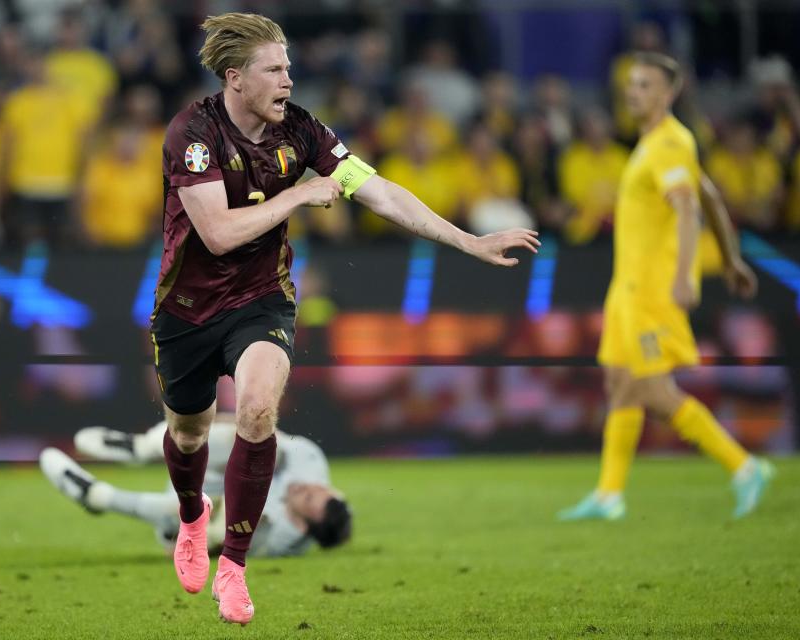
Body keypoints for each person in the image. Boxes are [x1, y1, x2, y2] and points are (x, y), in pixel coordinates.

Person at [151, 12, 539, 626]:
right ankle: (193, 516)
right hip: (187, 310)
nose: (288, 80)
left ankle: (236, 565)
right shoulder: (192, 134)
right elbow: (219, 234)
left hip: (261, 302)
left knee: (255, 409)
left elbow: (377, 190)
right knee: (190, 434)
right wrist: (300, 195)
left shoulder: (304, 133)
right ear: (236, 78)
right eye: (274, 69)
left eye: (289, 68)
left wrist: (467, 241)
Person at [558, 53, 772, 523]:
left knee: (653, 390)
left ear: (670, 92)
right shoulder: (655, 143)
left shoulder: (671, 142)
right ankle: (609, 495)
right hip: (628, 286)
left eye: (646, 85)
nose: (635, 92)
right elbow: (710, 195)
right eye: (632, 84)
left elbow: (689, 209)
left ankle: (744, 466)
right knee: (620, 382)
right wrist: (733, 258)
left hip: (653, 288)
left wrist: (682, 278)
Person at [39, 417, 350, 558]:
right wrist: (197, 427)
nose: (302, 488)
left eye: (306, 499)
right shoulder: (309, 460)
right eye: (315, 491)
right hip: (207, 467)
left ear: (303, 525)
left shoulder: (279, 535)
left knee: (206, 513)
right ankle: (144, 446)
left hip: (187, 519)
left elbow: (217, 545)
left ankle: (96, 495)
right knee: (254, 441)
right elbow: (247, 427)